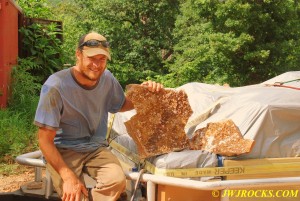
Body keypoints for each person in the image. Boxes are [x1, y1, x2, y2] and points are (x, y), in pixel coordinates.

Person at [34, 31, 163, 201]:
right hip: (63, 150)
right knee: (74, 195)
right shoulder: (56, 86)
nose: (97, 64)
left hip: (95, 148)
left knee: (117, 182)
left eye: (102, 59)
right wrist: (67, 176)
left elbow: (123, 105)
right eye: (92, 58)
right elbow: (44, 140)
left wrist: (146, 93)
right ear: (78, 55)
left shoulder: (107, 79)